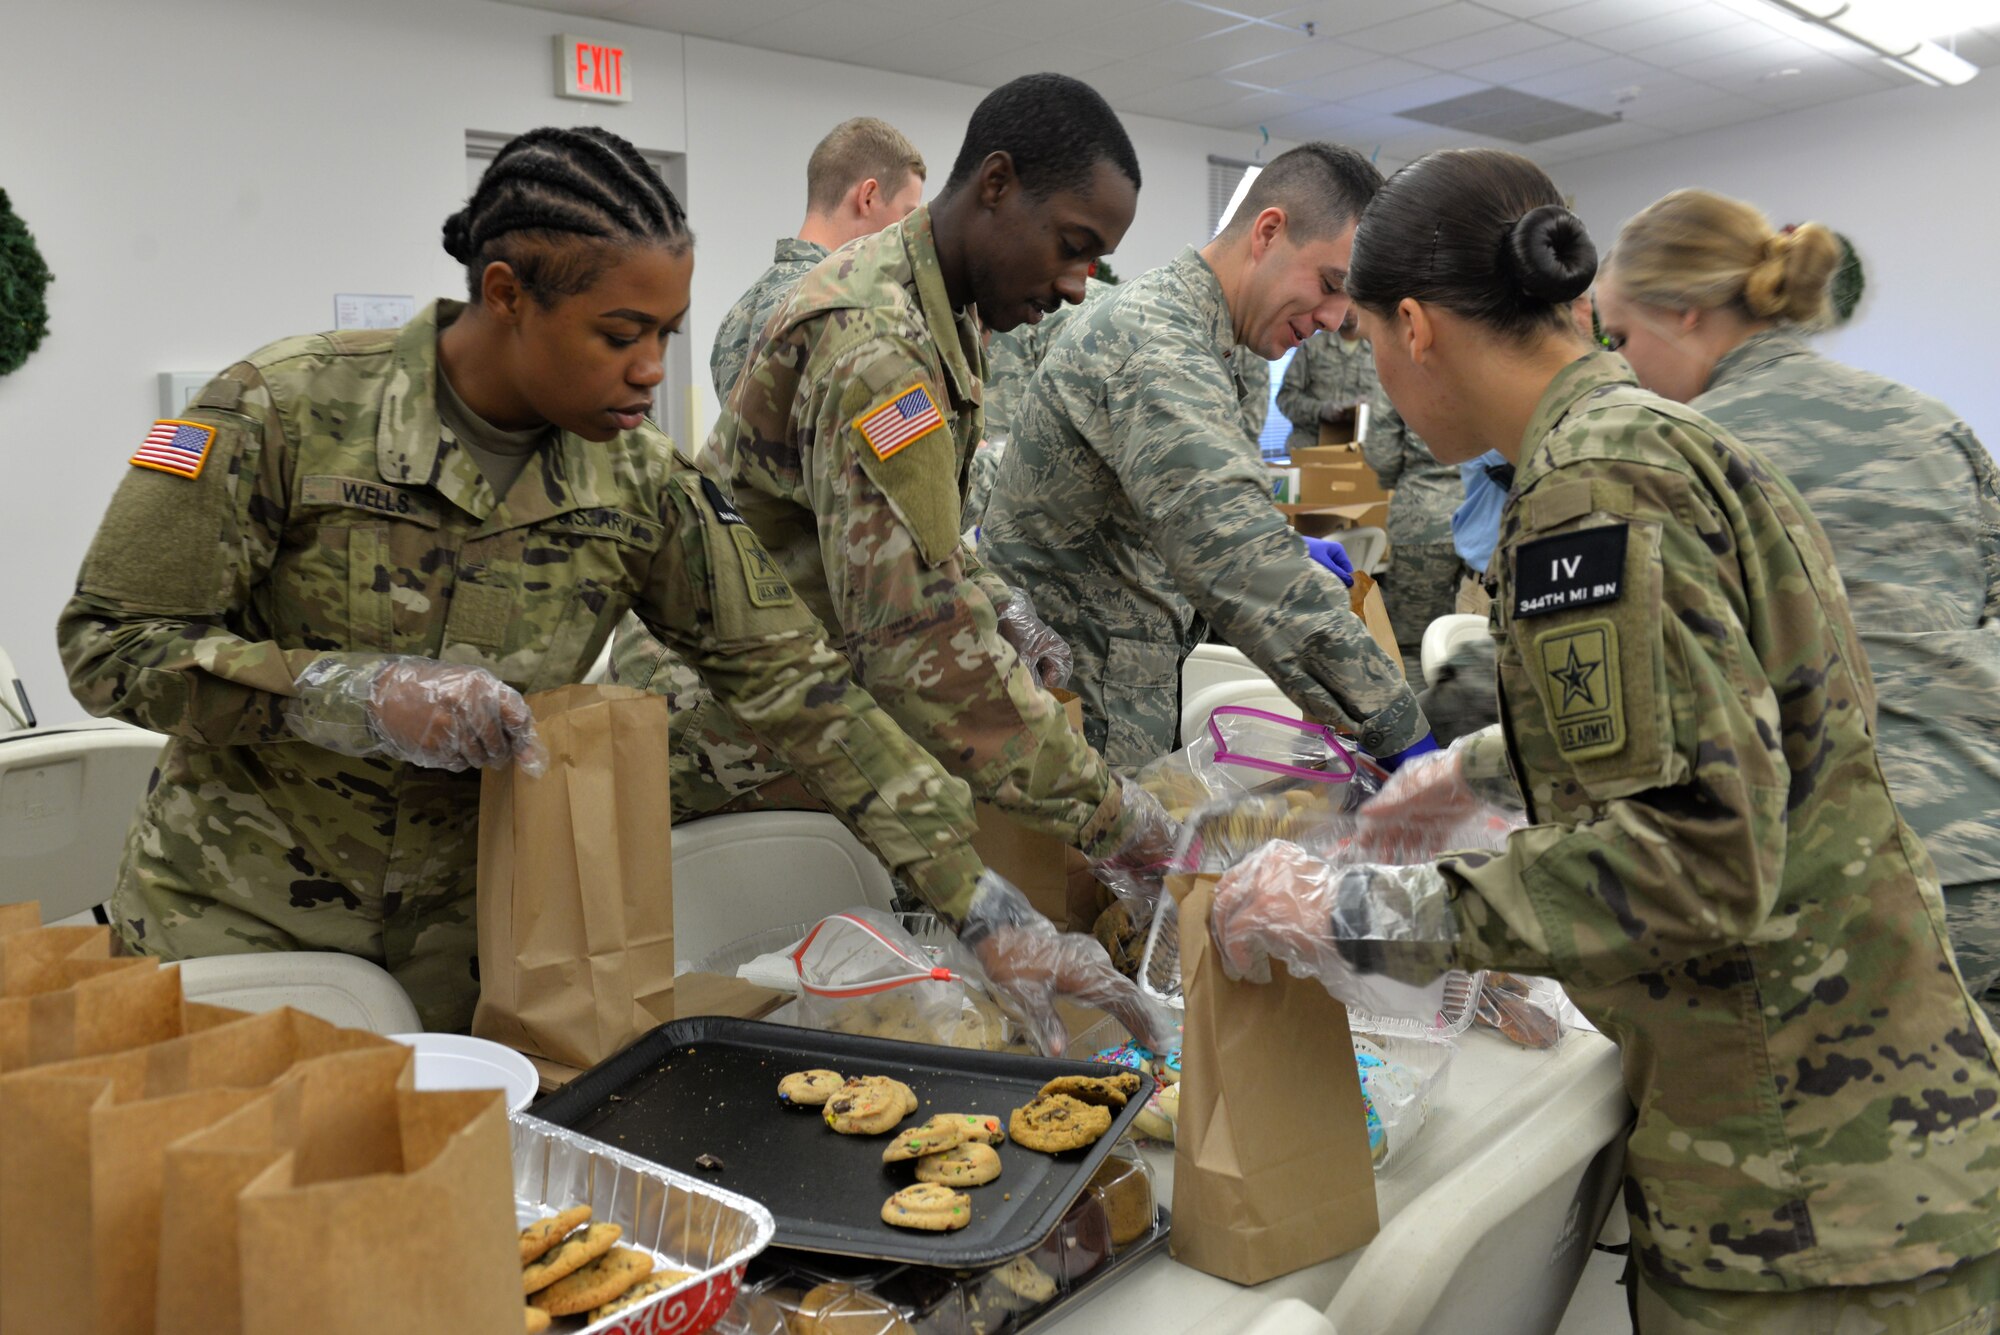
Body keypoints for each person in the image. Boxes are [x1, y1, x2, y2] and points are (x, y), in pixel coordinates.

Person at [55, 126, 1142, 1050]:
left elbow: (800, 687)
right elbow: (110, 643)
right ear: (506, 295)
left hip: (468, 953)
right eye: (619, 335)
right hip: (233, 938)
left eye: (664, 336)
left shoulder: (634, 481)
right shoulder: (275, 409)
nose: (649, 374)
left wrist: (980, 900)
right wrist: (346, 693)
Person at [1209, 149, 2000, 1332]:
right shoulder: (1657, 441)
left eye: (1369, 341)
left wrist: (1353, 916)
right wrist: (1470, 766)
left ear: (1414, 327)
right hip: (1867, 1139)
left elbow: (1688, 862)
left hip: (1799, 1187)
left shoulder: (1591, 491)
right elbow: (1733, 717)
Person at [612, 75, 1179, 1043]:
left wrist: (998, 599)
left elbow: (914, 531)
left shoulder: (945, 308)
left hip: (809, 699)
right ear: (995, 185)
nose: (1078, 281)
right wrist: (1113, 815)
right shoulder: (875, 343)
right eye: (1072, 245)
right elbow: (911, 636)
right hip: (732, 730)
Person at [1597, 187, 2000, 1026]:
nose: (1622, 365)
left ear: (1684, 311)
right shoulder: (1935, 427)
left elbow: (1648, 699)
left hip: (1853, 887)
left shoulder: (1680, 451)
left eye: (1622, 336)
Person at [980, 143, 1431, 770]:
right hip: (1073, 717)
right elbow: (1233, 551)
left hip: (1103, 695)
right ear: (1268, 232)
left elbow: (1179, 502)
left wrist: (1283, 544)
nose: (1332, 318)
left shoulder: (1187, 331)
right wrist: (1400, 730)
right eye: (1329, 285)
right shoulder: (1159, 347)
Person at [708, 116, 926, 404]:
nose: (908, 230)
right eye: (907, 213)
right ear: (868, 197)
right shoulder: (839, 305)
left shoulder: (740, 312)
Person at [1359, 393, 1460, 674]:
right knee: (1479, 636)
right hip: (1487, 519)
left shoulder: (1401, 364)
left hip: (1422, 517)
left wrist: (1407, 480)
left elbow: (1381, 454)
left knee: (1416, 643)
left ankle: (1427, 717)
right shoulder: (1495, 358)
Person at [1275, 310, 1376, 456]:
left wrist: (1368, 407)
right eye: (1346, 299)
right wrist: (1320, 410)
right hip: (1310, 446)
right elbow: (1285, 398)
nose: (1350, 308)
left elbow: (1392, 406)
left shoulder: (1377, 351)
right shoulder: (1312, 347)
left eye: (1355, 301)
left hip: (1359, 451)